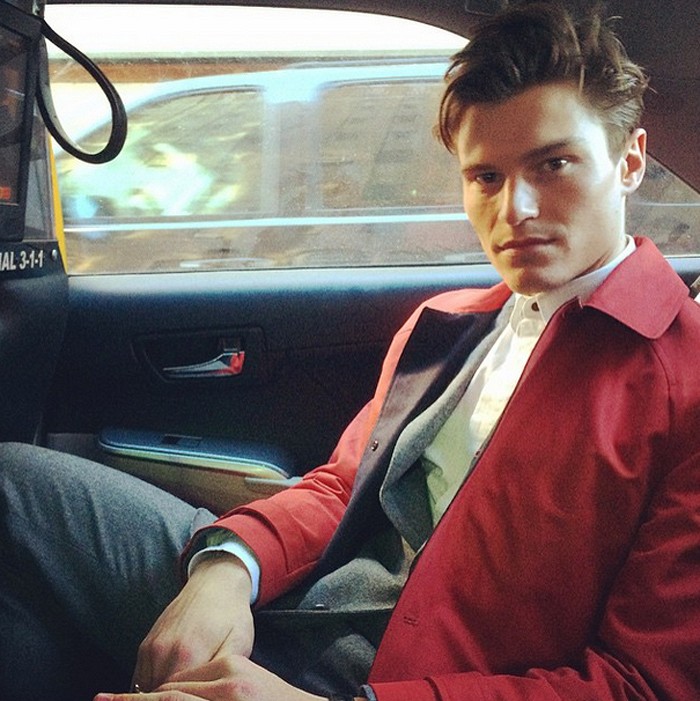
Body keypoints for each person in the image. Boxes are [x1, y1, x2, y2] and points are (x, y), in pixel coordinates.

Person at [1, 3, 699, 700]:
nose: (514, 209)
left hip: (389, 683)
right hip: (295, 601)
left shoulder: (685, 389)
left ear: (630, 161)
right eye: (486, 177)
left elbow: (641, 684)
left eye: (554, 164)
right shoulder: (449, 324)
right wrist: (226, 567)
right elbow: (342, 488)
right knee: (14, 488)